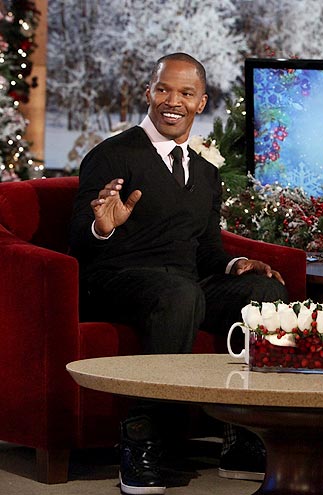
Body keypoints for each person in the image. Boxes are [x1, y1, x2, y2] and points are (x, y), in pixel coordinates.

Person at [69, 53, 287, 495]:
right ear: (149, 93)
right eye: (164, 89)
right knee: (179, 295)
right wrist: (102, 226)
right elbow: (78, 241)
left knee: (263, 292)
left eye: (186, 93)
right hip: (117, 278)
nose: (173, 101)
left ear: (200, 102)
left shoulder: (205, 171)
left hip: (184, 281)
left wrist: (235, 265)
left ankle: (241, 434)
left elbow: (206, 248)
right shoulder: (112, 155)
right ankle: (141, 441)